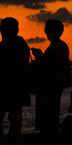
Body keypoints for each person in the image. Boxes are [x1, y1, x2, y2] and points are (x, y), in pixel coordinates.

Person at [31, 19, 70, 143]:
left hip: (50, 86)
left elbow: (52, 65)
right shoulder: (59, 45)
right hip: (52, 85)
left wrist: (40, 57)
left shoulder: (58, 46)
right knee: (50, 116)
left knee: (48, 117)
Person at [0, 17, 30, 145]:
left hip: (5, 89)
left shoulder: (4, 46)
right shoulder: (22, 45)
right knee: (16, 123)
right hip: (18, 89)